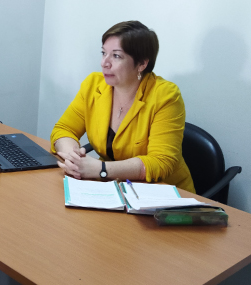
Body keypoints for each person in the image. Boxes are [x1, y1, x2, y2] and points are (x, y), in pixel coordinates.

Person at [50, 21, 195, 193]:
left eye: (116, 56)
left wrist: (101, 169)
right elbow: (64, 129)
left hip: (161, 196)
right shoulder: (93, 85)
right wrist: (72, 157)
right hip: (113, 190)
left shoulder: (165, 96)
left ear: (142, 64)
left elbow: (160, 162)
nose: (105, 62)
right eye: (103, 53)